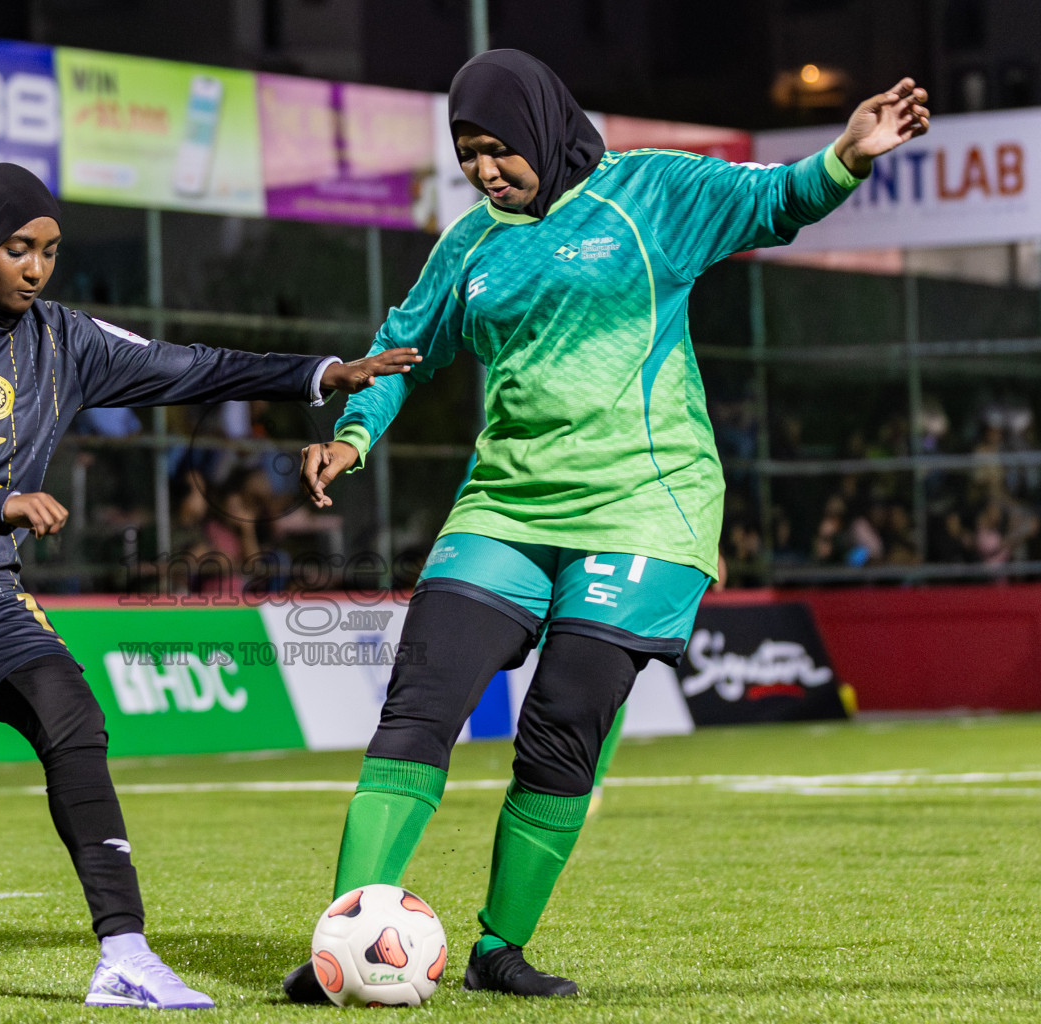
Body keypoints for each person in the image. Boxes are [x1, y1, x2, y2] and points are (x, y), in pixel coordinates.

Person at [287, 50, 929, 1000]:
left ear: (544, 128)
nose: (485, 170)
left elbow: (778, 200)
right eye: (467, 152)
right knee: (418, 704)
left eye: (500, 149)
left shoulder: (651, 193)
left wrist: (846, 154)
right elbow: (399, 352)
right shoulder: (469, 242)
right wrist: (352, 435)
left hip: (645, 504)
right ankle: (342, 949)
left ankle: (498, 950)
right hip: (506, 503)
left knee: (562, 724)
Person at [0, 162, 418, 1007]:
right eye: (17, 248)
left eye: (50, 251)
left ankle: (124, 956)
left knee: (73, 716)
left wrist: (318, 374)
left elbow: (189, 367)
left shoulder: (64, 338)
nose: (35, 268)